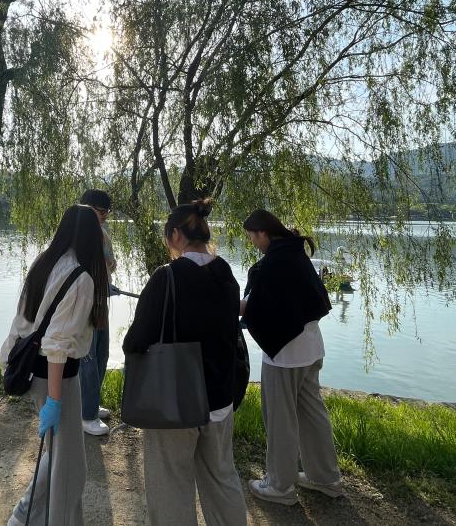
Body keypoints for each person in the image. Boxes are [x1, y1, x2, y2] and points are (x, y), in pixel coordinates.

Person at [123, 199, 247, 526]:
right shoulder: (226, 274)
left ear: (176, 235)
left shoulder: (167, 277)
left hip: (176, 401)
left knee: (170, 485)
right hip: (220, 398)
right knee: (222, 477)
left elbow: (136, 340)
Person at [0, 205, 109, 526]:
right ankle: (41, 518)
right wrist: (55, 401)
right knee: (70, 469)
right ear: (92, 236)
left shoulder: (44, 262)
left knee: (61, 457)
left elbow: (22, 320)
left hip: (34, 372)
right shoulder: (81, 277)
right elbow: (57, 345)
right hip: (56, 378)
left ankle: (25, 516)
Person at [240, 209, 342, 505]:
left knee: (280, 420)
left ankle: (280, 485)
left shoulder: (273, 263)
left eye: (252, 237)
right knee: (312, 414)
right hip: (311, 347)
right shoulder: (296, 254)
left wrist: (219, 302)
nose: (252, 242)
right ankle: (326, 478)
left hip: (285, 356)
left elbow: (253, 306)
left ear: (262, 233)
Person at [78, 188, 117, 436]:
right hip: (86, 302)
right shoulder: (79, 234)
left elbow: (109, 264)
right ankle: (86, 415)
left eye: (106, 212)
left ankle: (90, 403)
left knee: (102, 353)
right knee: (88, 357)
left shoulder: (102, 233)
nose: (104, 215)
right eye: (100, 211)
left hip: (101, 298)